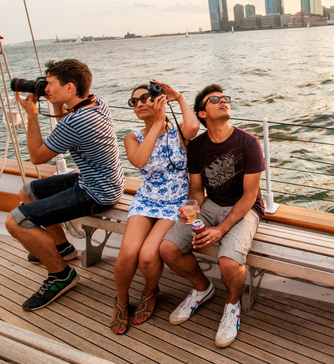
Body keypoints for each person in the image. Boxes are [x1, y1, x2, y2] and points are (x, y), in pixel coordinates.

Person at [6, 59, 125, 311]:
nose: (44, 89)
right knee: (27, 192)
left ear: (70, 88)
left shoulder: (78, 121)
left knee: (15, 221)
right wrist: (57, 103)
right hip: (102, 179)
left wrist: (32, 115)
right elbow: (67, 129)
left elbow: (37, 156)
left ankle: (61, 276)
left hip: (97, 191)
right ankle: (62, 248)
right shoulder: (95, 102)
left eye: (49, 84)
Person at [160, 84, 265, 348]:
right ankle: (201, 288)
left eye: (225, 98)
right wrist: (191, 211)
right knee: (168, 249)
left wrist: (221, 230)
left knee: (229, 263)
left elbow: (250, 196)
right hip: (211, 205)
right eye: (214, 99)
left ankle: (232, 304)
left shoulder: (248, 142)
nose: (223, 101)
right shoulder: (196, 147)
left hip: (245, 208)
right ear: (202, 114)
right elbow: (196, 190)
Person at [110, 81, 199, 335]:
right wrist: (157, 124)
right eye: (133, 101)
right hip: (146, 200)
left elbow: (193, 126)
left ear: (158, 100)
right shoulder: (132, 137)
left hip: (175, 202)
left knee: (148, 256)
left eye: (144, 98)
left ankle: (150, 291)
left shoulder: (179, 133)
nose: (138, 103)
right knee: (128, 254)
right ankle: (121, 300)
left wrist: (178, 97)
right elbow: (139, 159)